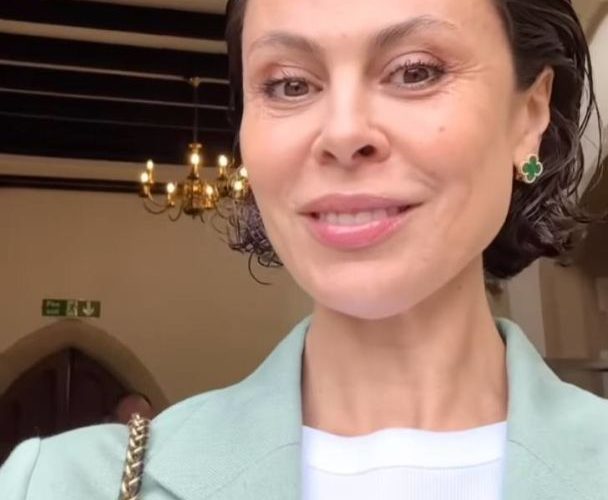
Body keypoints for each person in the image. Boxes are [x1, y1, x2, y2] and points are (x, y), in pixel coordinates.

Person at [1, 0, 606, 498]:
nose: (342, 133)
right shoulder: (60, 485)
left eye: (415, 71)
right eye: (289, 84)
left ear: (530, 114)